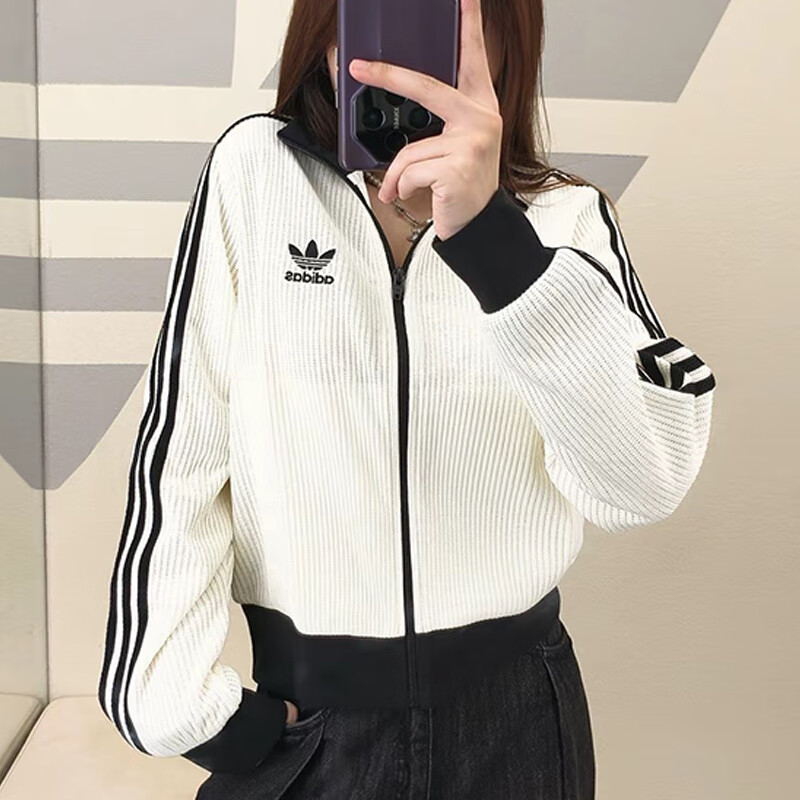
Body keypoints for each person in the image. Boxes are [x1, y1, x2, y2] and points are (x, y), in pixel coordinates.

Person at [96, 1, 717, 798]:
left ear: (503, 35)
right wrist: (177, 705)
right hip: (312, 726)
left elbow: (643, 484)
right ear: (327, 26)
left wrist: (493, 240)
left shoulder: (566, 221)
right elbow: (181, 454)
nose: (398, 50)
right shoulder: (254, 173)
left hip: (516, 726)